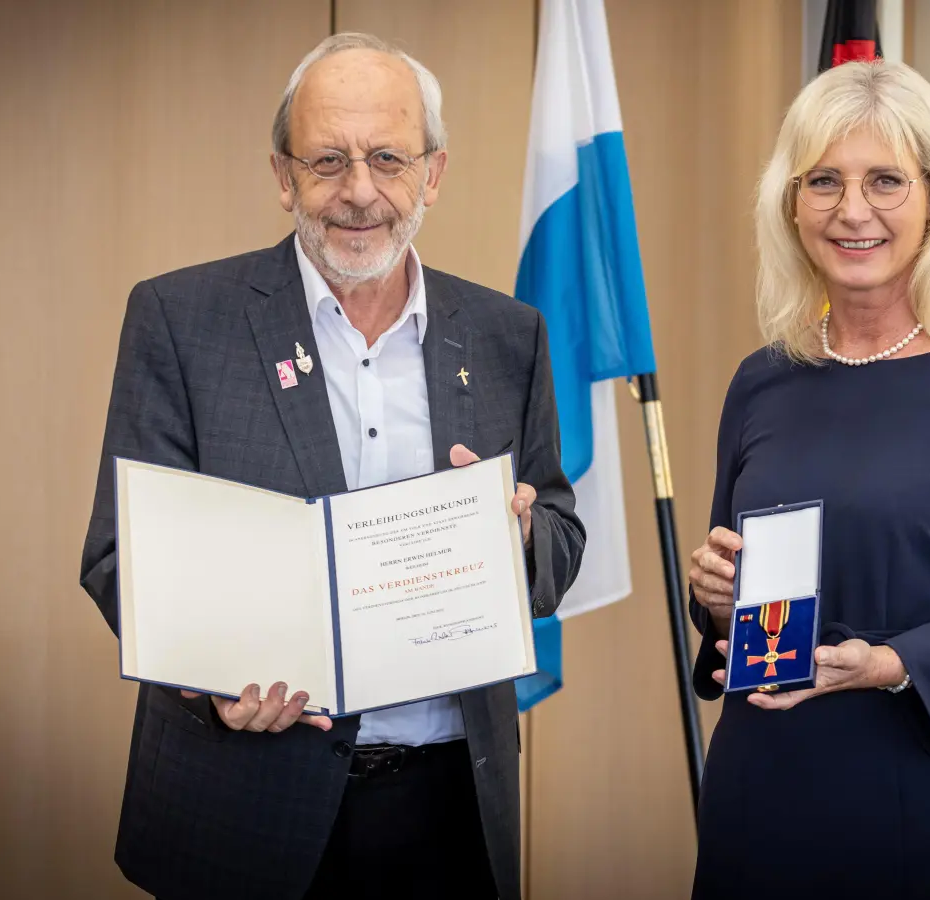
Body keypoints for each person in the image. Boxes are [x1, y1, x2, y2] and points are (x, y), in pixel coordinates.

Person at [79, 32, 584, 900]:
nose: (359, 192)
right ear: (283, 176)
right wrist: (212, 684)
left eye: (388, 158)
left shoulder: (507, 335)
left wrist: (519, 530)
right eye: (327, 160)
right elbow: (119, 558)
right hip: (241, 800)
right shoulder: (180, 318)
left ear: (433, 174)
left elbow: (560, 545)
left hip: (449, 800)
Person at [685, 58, 930, 898]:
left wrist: (889, 663)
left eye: (886, 181)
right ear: (791, 204)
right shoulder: (761, 380)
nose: (852, 210)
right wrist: (715, 592)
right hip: (762, 790)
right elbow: (740, 588)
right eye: (824, 180)